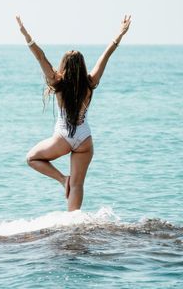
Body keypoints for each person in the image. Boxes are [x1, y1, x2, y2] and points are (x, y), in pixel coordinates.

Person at [16, 14, 132, 211]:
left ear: (64, 66)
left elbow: (40, 57)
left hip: (63, 137)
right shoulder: (90, 82)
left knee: (32, 158)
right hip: (84, 138)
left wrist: (27, 35)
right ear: (82, 66)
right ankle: (74, 223)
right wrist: (120, 34)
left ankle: (62, 179)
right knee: (78, 185)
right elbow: (106, 55)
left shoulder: (57, 82)